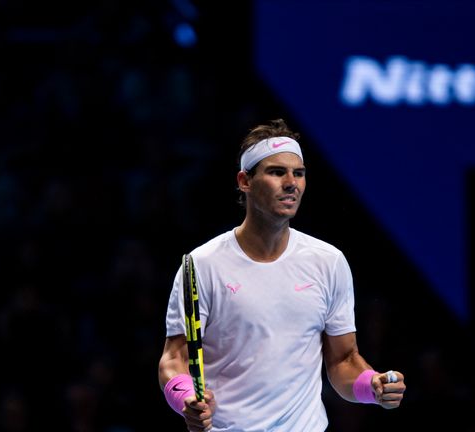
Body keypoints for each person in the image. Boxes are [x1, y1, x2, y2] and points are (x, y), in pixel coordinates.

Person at [158, 119, 406, 431]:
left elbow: (343, 361)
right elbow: (173, 359)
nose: (291, 183)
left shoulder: (329, 262)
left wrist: (372, 385)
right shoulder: (202, 264)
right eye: (277, 172)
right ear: (245, 181)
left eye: (298, 173)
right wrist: (185, 399)